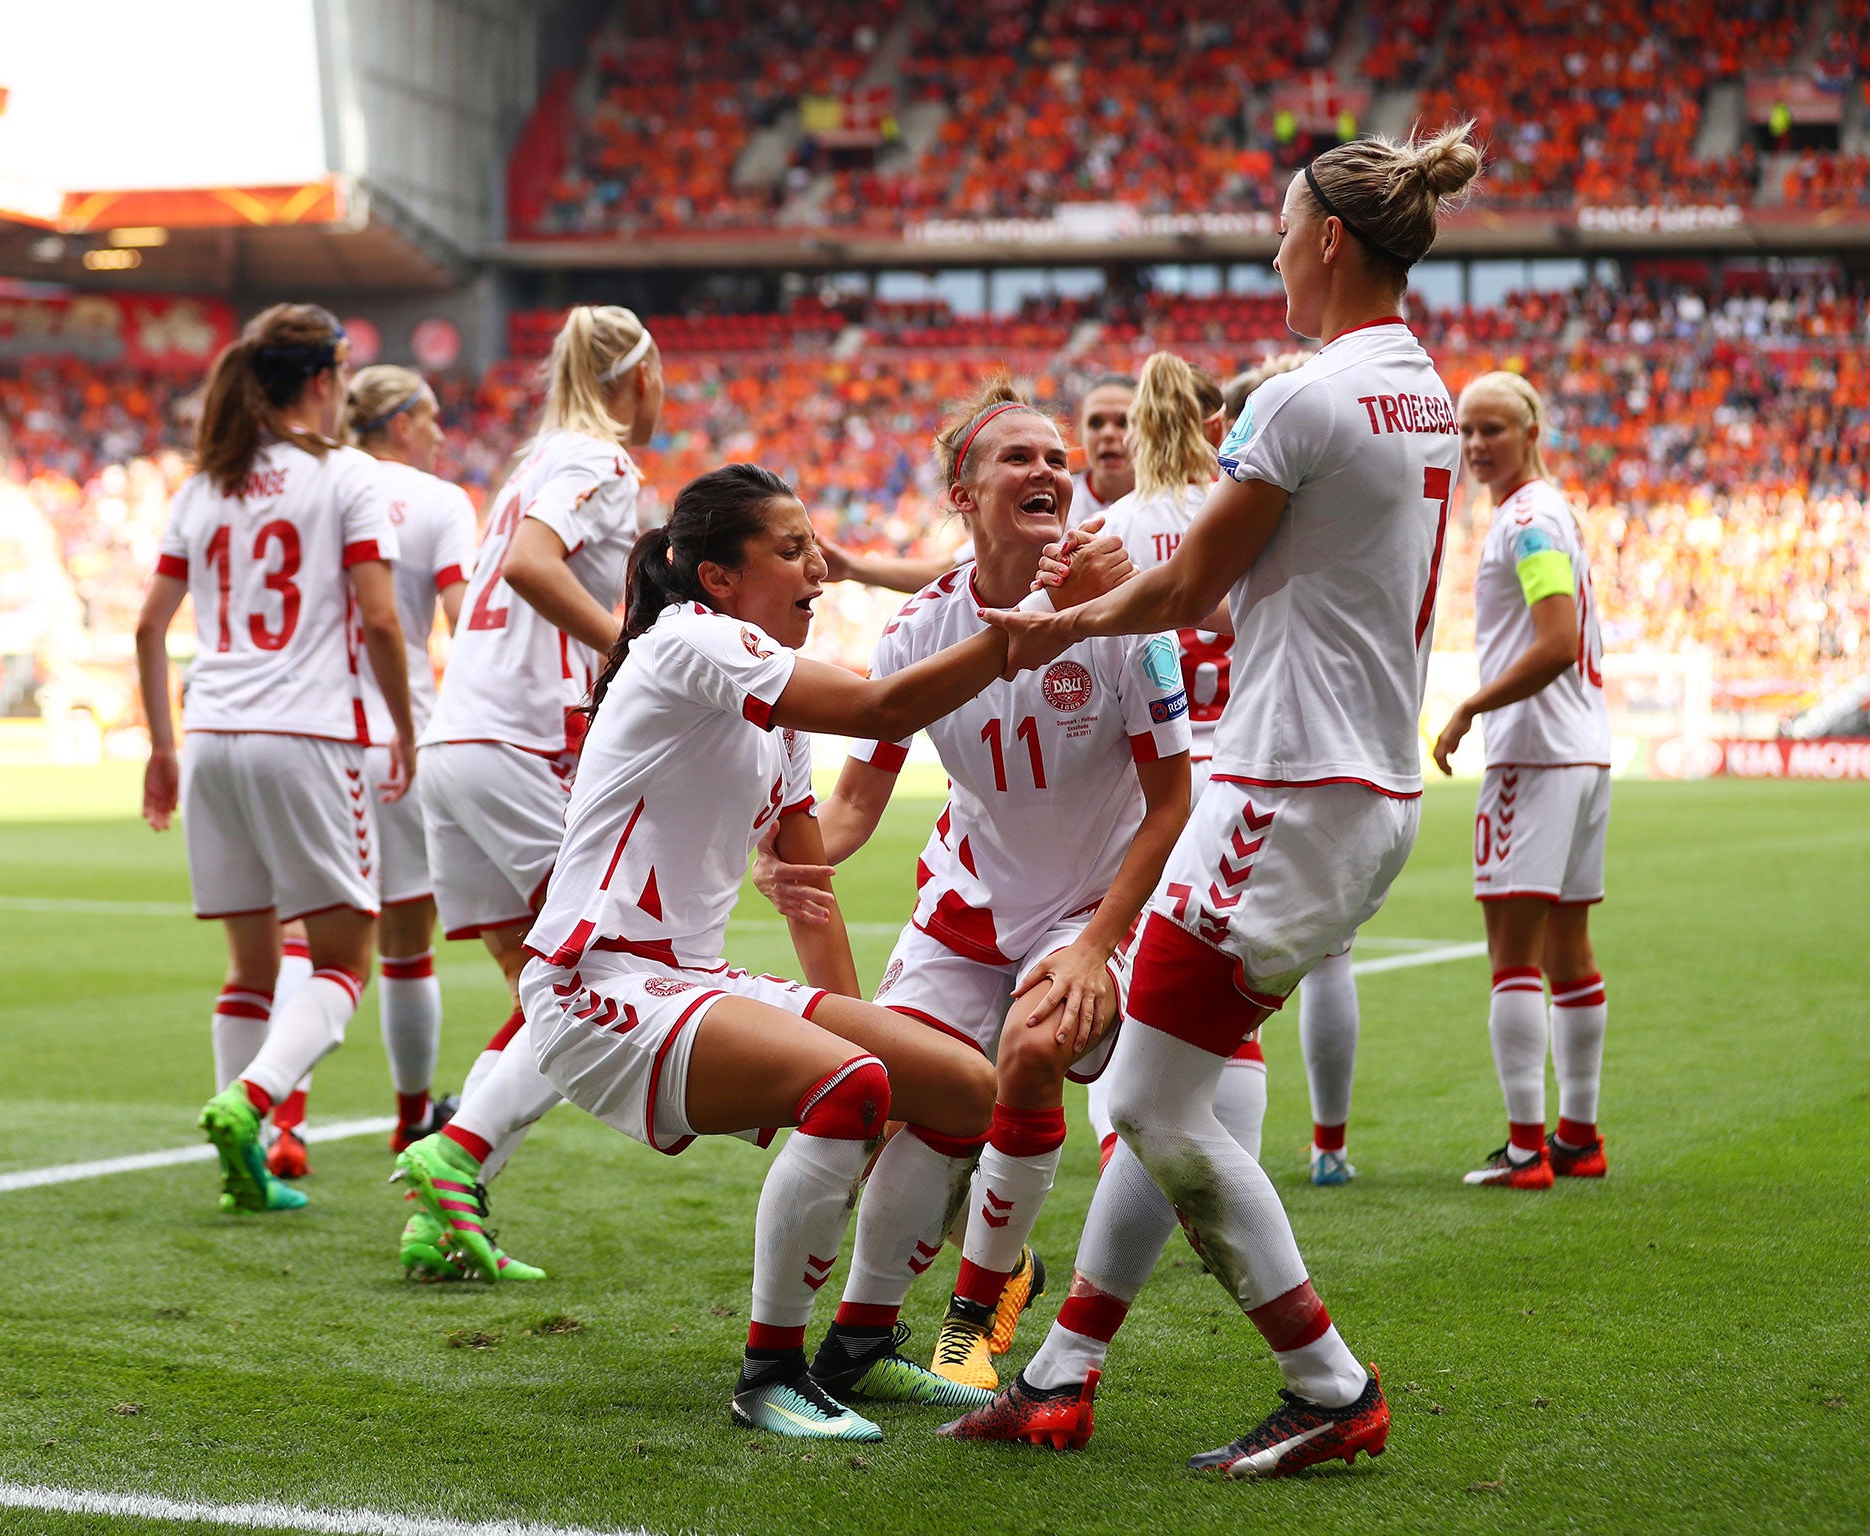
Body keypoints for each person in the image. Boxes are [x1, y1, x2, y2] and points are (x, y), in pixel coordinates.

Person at [943, 124, 1483, 1474]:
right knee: (1154, 1088)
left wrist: (1047, 631)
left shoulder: (1303, 397)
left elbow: (1187, 592)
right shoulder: (1420, 386)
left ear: (1330, 242)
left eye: (1282, 226)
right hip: (1347, 783)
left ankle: (1329, 1384)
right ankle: (1060, 1373)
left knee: (1145, 1102)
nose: (1271, 249)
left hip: (1285, 787)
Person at [403, 464, 1018, 1441]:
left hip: (685, 980)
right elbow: (882, 708)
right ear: (718, 578)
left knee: (957, 1087)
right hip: (591, 983)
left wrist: (871, 1084)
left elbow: (808, 899)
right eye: (788, 550)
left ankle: (855, 1349)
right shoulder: (692, 640)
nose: (816, 566)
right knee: (851, 1088)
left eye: (814, 546)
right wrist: (1023, 634)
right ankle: (767, 1373)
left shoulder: (769, 703)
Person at [757, 377, 1191, 1405]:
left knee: (1032, 1051)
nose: (1047, 469)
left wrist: (1095, 945)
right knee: (898, 1098)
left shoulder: (1122, 615)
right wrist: (805, 860)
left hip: (1090, 908)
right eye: (1018, 457)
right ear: (963, 491)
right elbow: (860, 795)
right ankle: (857, 1342)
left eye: (1056, 456)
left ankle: (970, 1323)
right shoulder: (917, 627)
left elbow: (1172, 805)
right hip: (967, 906)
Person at [395, 305, 661, 1280]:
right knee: (596, 973)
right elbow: (531, 564)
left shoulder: (529, 464)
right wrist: (628, 648)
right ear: (635, 379)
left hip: (456, 739)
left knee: (534, 987)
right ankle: (458, 1152)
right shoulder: (597, 464)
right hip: (520, 742)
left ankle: (447, 1212)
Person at [134, 302, 416, 1215]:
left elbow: (148, 626)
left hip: (211, 735)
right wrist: (406, 729)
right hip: (309, 737)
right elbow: (379, 618)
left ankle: (243, 1169)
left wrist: (161, 750)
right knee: (339, 964)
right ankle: (252, 1101)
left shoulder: (204, 484)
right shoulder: (347, 478)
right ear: (328, 380)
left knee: (251, 970)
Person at [1070, 352, 1369, 1186]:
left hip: (1155, 772)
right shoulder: (1251, 510)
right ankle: (1326, 1147)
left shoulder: (1116, 526)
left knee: (1135, 976)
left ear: (1136, 430)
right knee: (1267, 982)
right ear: (1216, 427)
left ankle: (1125, 1161)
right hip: (1251, 763)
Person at [262, 365, 478, 1182]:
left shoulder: (306, 486)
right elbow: (463, 625)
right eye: (431, 417)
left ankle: (286, 1125)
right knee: (405, 943)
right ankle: (410, 1118)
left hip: (304, 729)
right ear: (399, 422)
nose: (441, 433)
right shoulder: (438, 501)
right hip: (398, 730)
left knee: (300, 939)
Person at [1434, 371, 1611, 1188]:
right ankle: (1577, 1137)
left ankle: (1525, 1147)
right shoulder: (1550, 512)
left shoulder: (1527, 520)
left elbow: (1554, 639)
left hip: (1533, 753)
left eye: (1493, 430)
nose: (1475, 445)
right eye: (1467, 430)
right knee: (1570, 949)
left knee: (1513, 952)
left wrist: (1469, 705)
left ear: (1531, 430)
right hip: (1584, 752)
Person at [817, 375, 1137, 594]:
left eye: (1124, 421)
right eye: (1096, 422)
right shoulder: (1050, 500)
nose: (1108, 433)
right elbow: (953, 573)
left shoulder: (1180, 509)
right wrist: (852, 568)